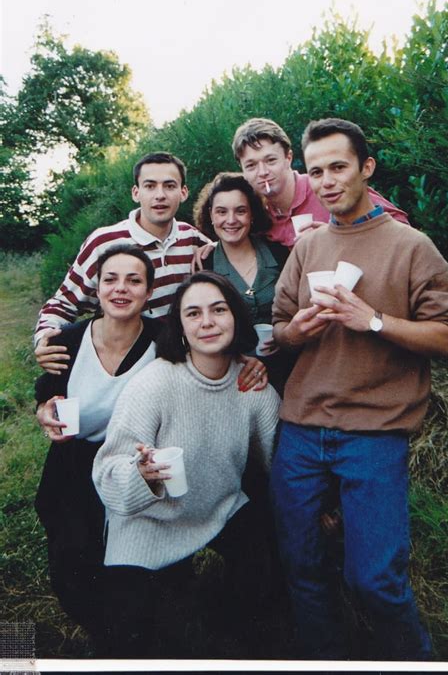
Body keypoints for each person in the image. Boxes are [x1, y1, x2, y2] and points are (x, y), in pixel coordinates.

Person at [269, 117, 448, 660]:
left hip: (376, 434)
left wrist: (374, 320)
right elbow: (280, 328)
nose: (328, 180)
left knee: (375, 582)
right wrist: (299, 330)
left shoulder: (411, 245)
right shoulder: (308, 248)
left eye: (339, 166)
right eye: (317, 172)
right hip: (302, 430)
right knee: (303, 570)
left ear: (366, 168)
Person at [92, 272, 281, 658]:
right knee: (128, 634)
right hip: (148, 521)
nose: (207, 322)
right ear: (180, 328)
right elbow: (108, 475)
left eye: (218, 310)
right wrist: (141, 476)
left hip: (217, 506)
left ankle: (231, 627)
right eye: (193, 314)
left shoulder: (253, 386)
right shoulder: (155, 383)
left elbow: (278, 463)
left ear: (236, 319)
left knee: (267, 578)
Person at [34, 244, 159, 640]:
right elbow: (45, 398)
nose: (121, 289)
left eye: (133, 280)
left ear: (149, 292)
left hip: (132, 466)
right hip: (73, 463)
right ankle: (102, 630)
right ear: (97, 287)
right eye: (111, 279)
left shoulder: (166, 339)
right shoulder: (67, 340)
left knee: (133, 581)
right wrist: (44, 412)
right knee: (72, 569)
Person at [34, 151, 210, 371]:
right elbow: (63, 304)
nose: (160, 195)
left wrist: (215, 246)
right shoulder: (103, 242)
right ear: (136, 193)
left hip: (180, 366)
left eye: (169, 186)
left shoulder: (192, 238)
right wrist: (44, 339)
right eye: (150, 186)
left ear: (183, 192)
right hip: (123, 367)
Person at [232, 117, 409, 247]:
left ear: (288, 158)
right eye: (251, 165)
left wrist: (336, 235)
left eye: (271, 160)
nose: (263, 172)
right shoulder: (256, 213)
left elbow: (402, 229)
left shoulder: (326, 188)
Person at [193, 172, 295, 395]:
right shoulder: (204, 265)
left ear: (252, 214)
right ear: (210, 214)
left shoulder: (279, 254)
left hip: (290, 372)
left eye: (240, 211)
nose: (231, 220)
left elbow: (299, 308)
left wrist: (283, 334)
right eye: (221, 211)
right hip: (235, 380)